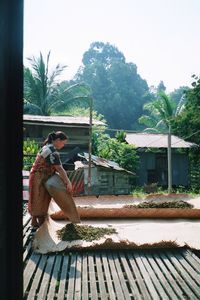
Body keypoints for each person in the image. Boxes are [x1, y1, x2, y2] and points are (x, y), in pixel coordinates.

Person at [28, 131, 80, 227]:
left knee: (40, 198)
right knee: (38, 198)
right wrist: (68, 182)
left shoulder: (47, 146)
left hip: (41, 176)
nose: (63, 145)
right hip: (38, 176)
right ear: (58, 140)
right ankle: (36, 222)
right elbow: (59, 168)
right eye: (63, 143)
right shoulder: (52, 151)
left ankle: (37, 222)